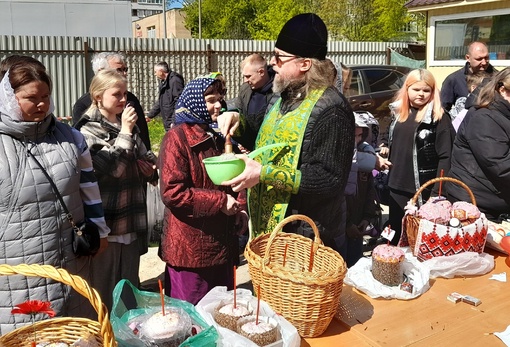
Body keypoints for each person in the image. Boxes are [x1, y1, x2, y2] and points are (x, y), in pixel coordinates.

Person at [218, 13, 355, 258]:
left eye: (279, 57)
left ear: (305, 64)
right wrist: (237, 123)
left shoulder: (332, 109)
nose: (272, 63)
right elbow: (261, 142)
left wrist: (263, 174)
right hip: (273, 232)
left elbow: (329, 179)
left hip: (307, 238)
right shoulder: (282, 97)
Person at [0, 57, 109, 334]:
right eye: (31, 98)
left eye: (46, 96)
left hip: (70, 263)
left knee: (70, 332)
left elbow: (89, 187)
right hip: (16, 270)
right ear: (7, 97)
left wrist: (99, 230)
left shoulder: (70, 138)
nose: (41, 104)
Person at [158, 77, 248, 305]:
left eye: (219, 100)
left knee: (222, 311)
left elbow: (236, 175)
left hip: (222, 245)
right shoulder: (176, 139)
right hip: (190, 250)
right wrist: (220, 202)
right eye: (210, 100)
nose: (218, 105)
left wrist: (241, 208)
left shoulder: (219, 138)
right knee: (193, 316)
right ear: (195, 102)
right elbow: (173, 192)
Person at [75, 69, 157, 311]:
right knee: (104, 292)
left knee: (129, 291)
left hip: (131, 219)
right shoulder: (87, 130)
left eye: (125, 94)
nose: (124, 99)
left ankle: (128, 336)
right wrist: (126, 133)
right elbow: (114, 168)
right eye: (117, 94)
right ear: (98, 96)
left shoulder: (125, 122)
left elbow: (149, 162)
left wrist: (149, 166)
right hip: (107, 225)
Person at [379, 69, 455, 245]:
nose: (421, 94)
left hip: (423, 189)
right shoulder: (398, 113)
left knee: (419, 239)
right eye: (416, 89)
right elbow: (390, 137)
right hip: (396, 184)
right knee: (396, 234)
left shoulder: (439, 118)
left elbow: (446, 157)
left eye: (426, 90)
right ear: (407, 89)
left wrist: (437, 193)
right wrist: (384, 146)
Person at [448, 67, 510, 220]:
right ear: (502, 90)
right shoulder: (484, 116)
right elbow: (500, 166)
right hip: (477, 206)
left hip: (494, 200)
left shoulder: (502, 113)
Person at [72, 52, 151, 150]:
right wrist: (125, 132)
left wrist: (148, 158)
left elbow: (142, 133)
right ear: (101, 71)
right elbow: (100, 161)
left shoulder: (131, 98)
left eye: (125, 69)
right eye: (119, 70)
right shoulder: (83, 106)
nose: (124, 73)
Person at [344, 113, 380, 267]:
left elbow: (369, 191)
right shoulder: (340, 160)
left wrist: (367, 218)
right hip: (342, 227)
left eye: (360, 135)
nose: (357, 140)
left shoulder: (365, 154)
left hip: (358, 224)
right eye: (353, 135)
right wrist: (347, 225)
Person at [230, 54, 277, 151]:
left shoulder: (279, 91)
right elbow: (240, 115)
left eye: (248, 76)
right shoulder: (245, 89)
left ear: (261, 72)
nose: (245, 80)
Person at [440, 41, 497, 112]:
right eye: (479, 59)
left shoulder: (497, 77)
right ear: (468, 58)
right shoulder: (454, 79)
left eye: (486, 58)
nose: (484, 62)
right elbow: (442, 109)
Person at [145, 61, 184, 131]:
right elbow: (160, 102)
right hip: (168, 120)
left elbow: (179, 101)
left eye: (155, 71)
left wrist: (174, 120)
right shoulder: (164, 82)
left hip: (173, 121)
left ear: (161, 71)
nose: (155, 74)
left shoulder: (175, 80)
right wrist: (149, 115)